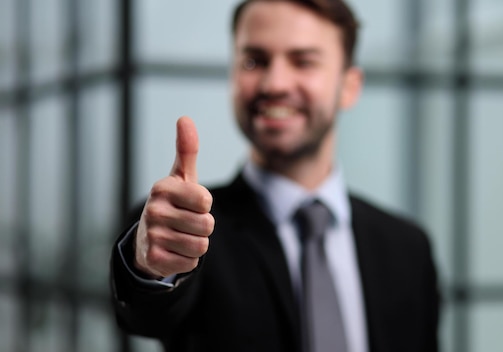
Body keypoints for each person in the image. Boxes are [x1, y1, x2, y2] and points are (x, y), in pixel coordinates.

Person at [110, 0, 440, 351]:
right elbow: (146, 313)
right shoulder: (187, 231)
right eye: (254, 60)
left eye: (303, 61)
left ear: (349, 86)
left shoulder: (408, 249)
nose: (275, 83)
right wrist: (150, 266)